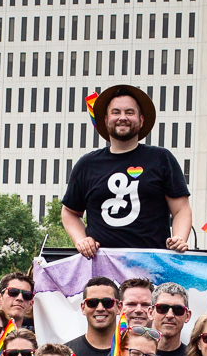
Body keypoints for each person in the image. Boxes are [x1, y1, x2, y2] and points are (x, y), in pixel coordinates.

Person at [62, 82, 193, 254]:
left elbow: (181, 208)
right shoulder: (86, 164)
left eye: (129, 112)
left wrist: (179, 238)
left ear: (141, 119)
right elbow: (69, 212)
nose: (122, 117)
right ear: (105, 119)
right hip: (102, 265)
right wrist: (81, 239)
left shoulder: (161, 158)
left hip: (153, 264)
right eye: (116, 112)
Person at [64, 276, 120, 356]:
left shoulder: (133, 354)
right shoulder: (66, 354)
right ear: (83, 308)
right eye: (92, 302)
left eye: (107, 302)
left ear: (119, 307)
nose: (100, 308)